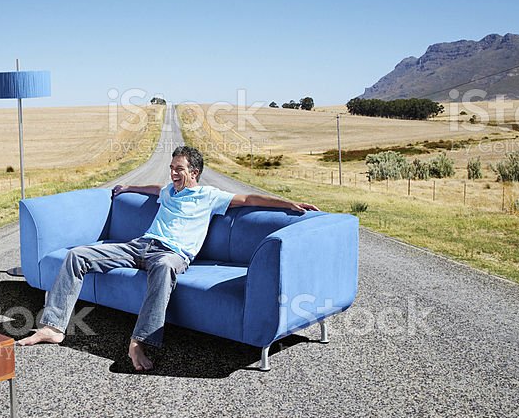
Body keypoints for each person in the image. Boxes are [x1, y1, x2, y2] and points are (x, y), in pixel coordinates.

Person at [17, 145, 319, 371]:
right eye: (172, 168)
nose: (173, 173)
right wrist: (128, 187)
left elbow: (250, 199)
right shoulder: (168, 191)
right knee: (77, 255)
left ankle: (140, 342)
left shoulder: (210, 196)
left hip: (173, 255)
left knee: (162, 269)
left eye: (179, 169)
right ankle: (52, 327)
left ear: (194, 173)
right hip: (140, 246)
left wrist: (288, 204)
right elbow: (152, 189)